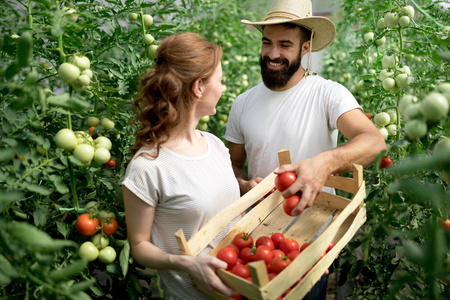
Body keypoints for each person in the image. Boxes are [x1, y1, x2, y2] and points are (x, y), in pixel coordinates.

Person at [224, 0, 387, 298]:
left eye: (285, 44)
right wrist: (243, 183)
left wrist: (324, 163)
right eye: (267, 43)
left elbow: (374, 143)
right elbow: (232, 165)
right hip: (257, 240)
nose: (273, 54)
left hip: (310, 242)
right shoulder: (242, 103)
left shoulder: (327, 93)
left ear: (306, 47)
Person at [121, 32, 239, 300]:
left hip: (240, 287)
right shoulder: (149, 167)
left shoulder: (215, 145)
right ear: (199, 87)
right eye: (220, 81)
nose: (223, 89)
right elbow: (139, 245)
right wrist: (185, 263)